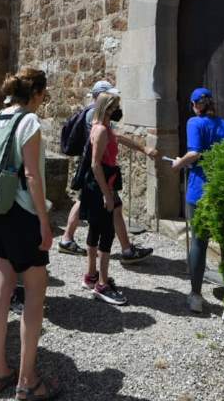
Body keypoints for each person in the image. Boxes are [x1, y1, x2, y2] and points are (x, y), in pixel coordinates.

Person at [0, 69, 58, 400]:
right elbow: (32, 175)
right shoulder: (29, 122)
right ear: (37, 92)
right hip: (24, 214)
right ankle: (27, 380)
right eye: (44, 94)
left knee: (1, 289)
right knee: (34, 294)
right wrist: (44, 221)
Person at [59, 79, 154, 265]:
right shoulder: (96, 118)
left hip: (95, 171)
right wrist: (143, 149)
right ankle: (124, 252)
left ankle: (67, 240)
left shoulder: (97, 116)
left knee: (85, 203)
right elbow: (104, 146)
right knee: (112, 209)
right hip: (99, 171)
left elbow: (113, 137)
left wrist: (142, 149)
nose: (115, 102)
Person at [81, 91, 160, 306]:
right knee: (106, 234)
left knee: (95, 230)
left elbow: (120, 138)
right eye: (115, 107)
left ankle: (91, 276)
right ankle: (102, 285)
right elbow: (96, 165)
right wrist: (107, 195)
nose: (118, 111)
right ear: (107, 109)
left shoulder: (103, 128)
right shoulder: (101, 131)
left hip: (101, 186)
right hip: (102, 186)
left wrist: (144, 148)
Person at [171, 88, 224, 318]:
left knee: (198, 242)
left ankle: (196, 296)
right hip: (221, 189)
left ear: (196, 105)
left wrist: (179, 164)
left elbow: (194, 152)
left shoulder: (194, 123)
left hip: (198, 190)